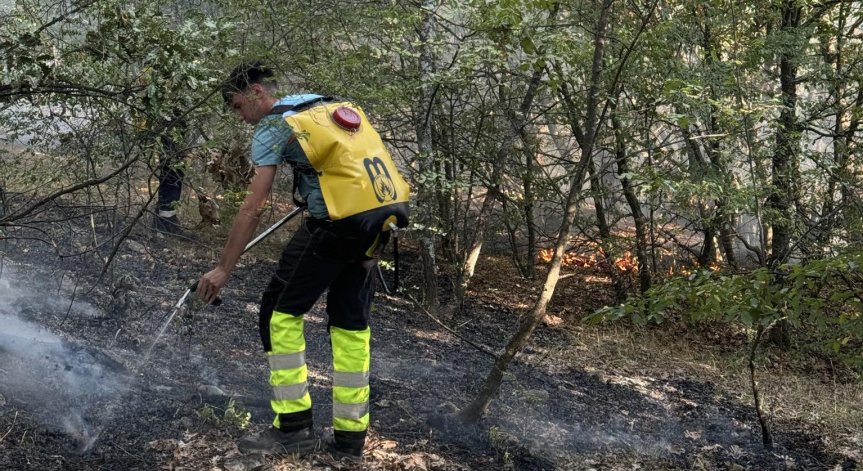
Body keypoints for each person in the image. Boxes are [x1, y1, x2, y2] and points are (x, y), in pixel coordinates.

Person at [196, 62, 408, 459]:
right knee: (351, 325)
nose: (241, 118)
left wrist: (224, 267)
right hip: (377, 224)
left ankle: (293, 428)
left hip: (334, 226)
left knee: (278, 314)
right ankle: (350, 439)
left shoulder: (274, 125)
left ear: (257, 93)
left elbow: (253, 206)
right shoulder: (322, 107)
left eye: (239, 107)